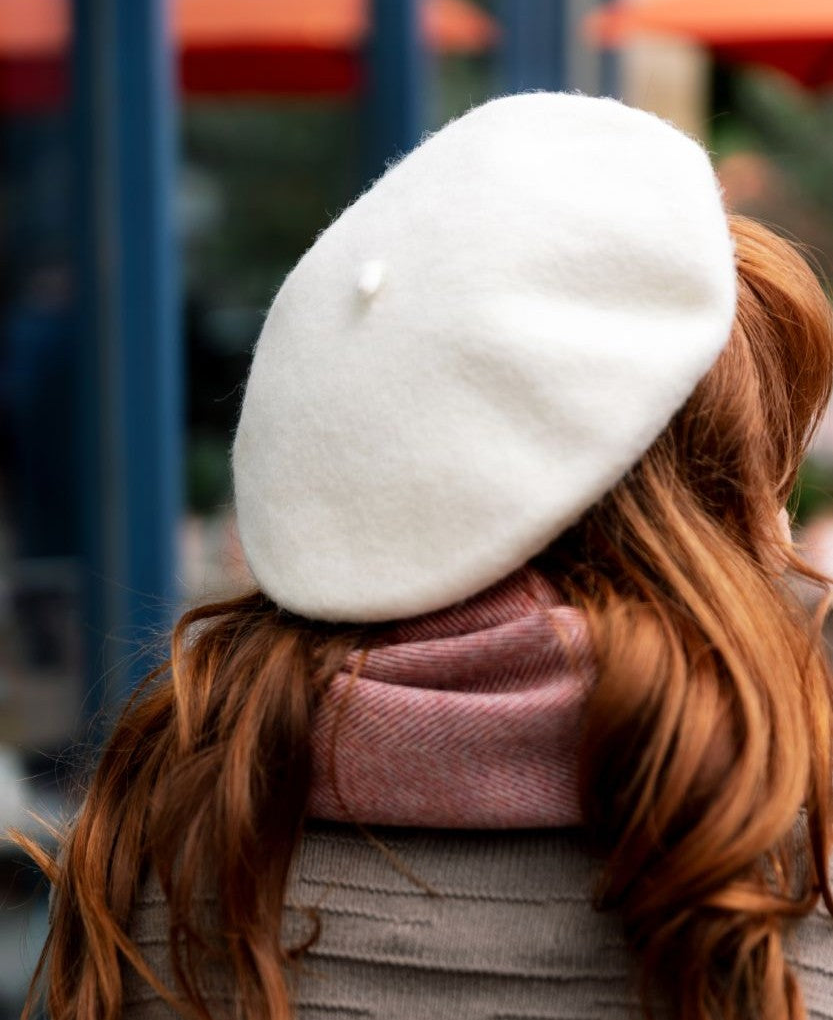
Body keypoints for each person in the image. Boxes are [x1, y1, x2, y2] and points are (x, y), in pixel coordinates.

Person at [17, 93, 833, 1020]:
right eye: (759, 477)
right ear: (691, 509)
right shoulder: (776, 863)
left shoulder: (171, 830)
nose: (776, 523)